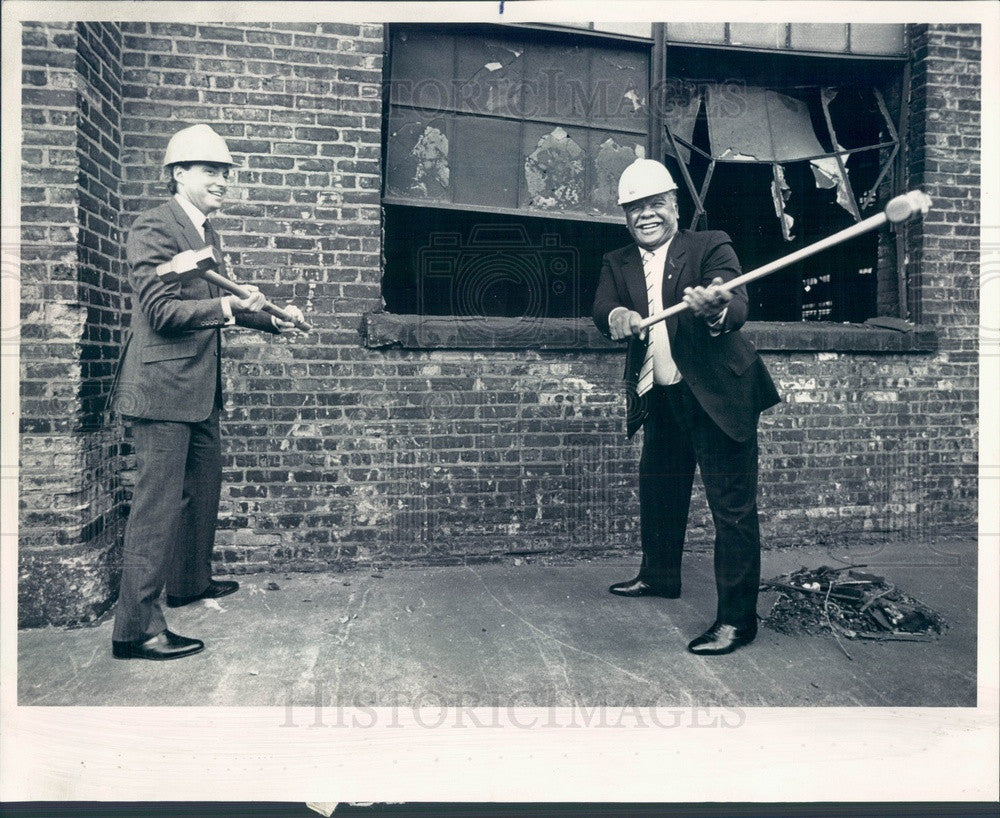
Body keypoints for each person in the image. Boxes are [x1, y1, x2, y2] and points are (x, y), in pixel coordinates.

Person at [110, 124, 306, 660]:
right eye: (209, 169)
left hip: (198, 387)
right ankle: (136, 630)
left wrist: (271, 322)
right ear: (177, 173)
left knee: (202, 490)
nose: (222, 179)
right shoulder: (154, 226)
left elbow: (222, 307)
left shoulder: (204, 235)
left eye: (225, 171)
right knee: (156, 508)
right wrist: (229, 308)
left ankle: (189, 581)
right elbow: (163, 312)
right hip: (162, 388)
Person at [592, 158, 781, 656]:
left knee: (732, 508)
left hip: (721, 393)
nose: (645, 216)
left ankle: (738, 621)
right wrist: (617, 315)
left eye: (655, 205)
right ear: (624, 216)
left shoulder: (709, 245)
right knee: (659, 489)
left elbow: (735, 301)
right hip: (665, 394)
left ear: (674, 206)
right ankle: (659, 576)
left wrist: (716, 305)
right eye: (635, 209)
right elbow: (602, 307)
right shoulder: (618, 262)